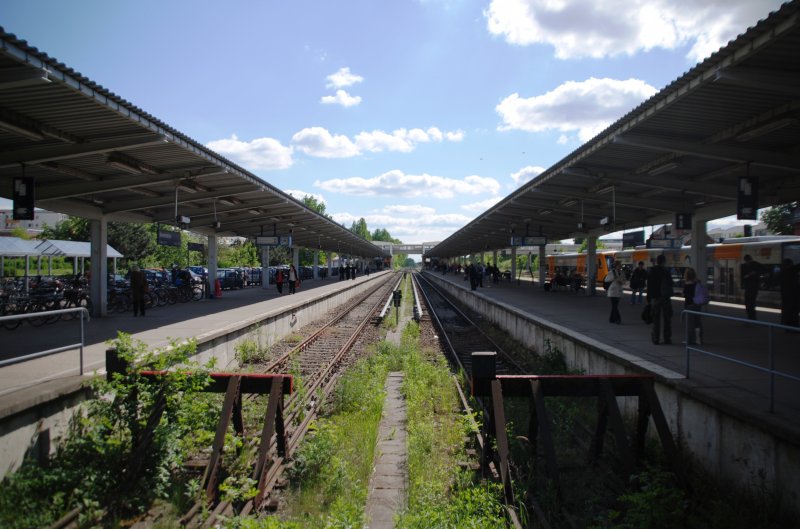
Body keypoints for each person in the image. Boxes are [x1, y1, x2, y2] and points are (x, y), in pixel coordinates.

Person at [647, 254, 673, 345]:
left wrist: (648, 298)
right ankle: (667, 338)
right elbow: (671, 283)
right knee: (667, 319)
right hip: (665, 298)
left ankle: (655, 339)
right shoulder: (666, 271)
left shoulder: (652, 271)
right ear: (664, 261)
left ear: (657, 261)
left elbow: (649, 285)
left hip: (655, 298)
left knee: (656, 320)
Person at [682, 267, 703, 344]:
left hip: (689, 305)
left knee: (690, 323)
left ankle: (689, 340)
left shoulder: (686, 285)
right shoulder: (698, 283)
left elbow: (684, 295)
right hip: (697, 305)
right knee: (698, 322)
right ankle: (699, 339)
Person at [779, 258, 799, 328]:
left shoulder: (783, 271)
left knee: (787, 310)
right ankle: (793, 327)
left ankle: (787, 326)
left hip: (785, 295)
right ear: (790, 264)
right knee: (793, 311)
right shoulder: (790, 270)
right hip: (792, 295)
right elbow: (797, 267)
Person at [742, 254, 762, 320]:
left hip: (752, 288)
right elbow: (744, 277)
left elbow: (744, 277)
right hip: (750, 288)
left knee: (750, 304)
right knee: (750, 304)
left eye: (747, 261)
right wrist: (749, 275)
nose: (747, 262)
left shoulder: (756, 265)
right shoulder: (745, 266)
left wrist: (751, 275)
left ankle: (752, 319)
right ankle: (751, 318)